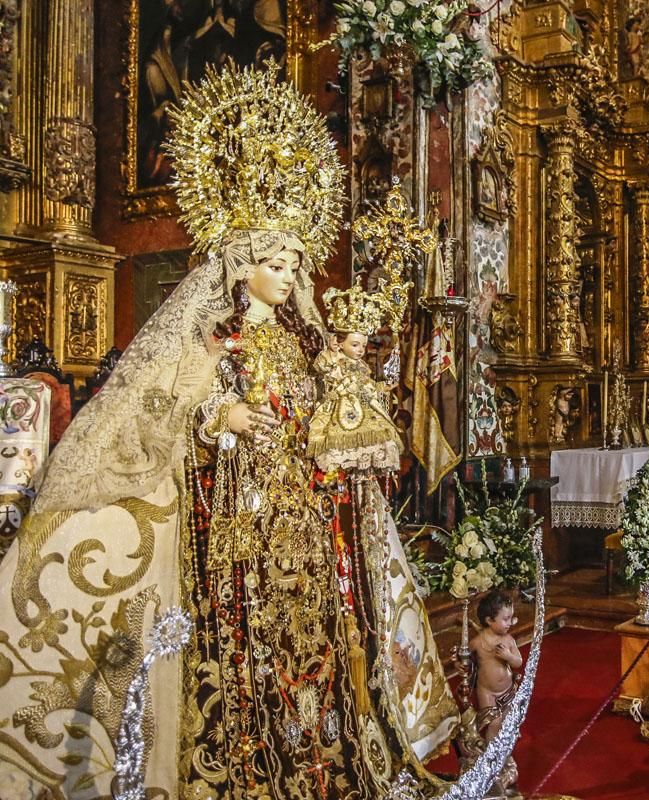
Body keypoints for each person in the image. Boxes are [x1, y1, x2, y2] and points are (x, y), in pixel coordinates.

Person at [0, 64, 458, 797]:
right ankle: (247, 759)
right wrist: (220, 416)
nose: (286, 273)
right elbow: (167, 410)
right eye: (271, 261)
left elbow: (332, 422)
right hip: (239, 531)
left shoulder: (307, 338)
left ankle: (324, 750)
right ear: (238, 266)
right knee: (249, 647)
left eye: (292, 260)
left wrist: (340, 377)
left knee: (317, 649)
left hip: (307, 522)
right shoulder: (210, 337)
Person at [308, 284, 406, 475]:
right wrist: (330, 351)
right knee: (339, 441)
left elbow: (366, 385)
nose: (360, 350)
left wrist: (381, 388)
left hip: (363, 405)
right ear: (339, 343)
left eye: (363, 345)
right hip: (340, 407)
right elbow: (321, 367)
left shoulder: (361, 366)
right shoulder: (334, 359)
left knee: (374, 435)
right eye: (354, 345)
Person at [470, 589, 524, 742]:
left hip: (507, 689)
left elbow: (518, 662)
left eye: (511, 618)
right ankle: (492, 748)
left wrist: (508, 656)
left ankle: (509, 734)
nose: (510, 623)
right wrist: (462, 664)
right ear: (489, 621)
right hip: (487, 691)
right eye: (506, 619)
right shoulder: (478, 642)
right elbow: (465, 657)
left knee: (508, 716)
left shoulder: (508, 640)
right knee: (494, 722)